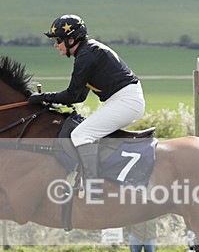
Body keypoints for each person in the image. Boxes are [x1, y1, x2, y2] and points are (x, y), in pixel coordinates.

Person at [28, 14, 145, 191]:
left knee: (80, 135)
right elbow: (80, 95)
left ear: (71, 40)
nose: (55, 45)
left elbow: (73, 95)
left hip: (126, 102)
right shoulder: (87, 52)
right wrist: (50, 99)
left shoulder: (86, 56)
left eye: (58, 40)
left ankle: (92, 186)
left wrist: (44, 97)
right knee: (85, 132)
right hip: (123, 100)